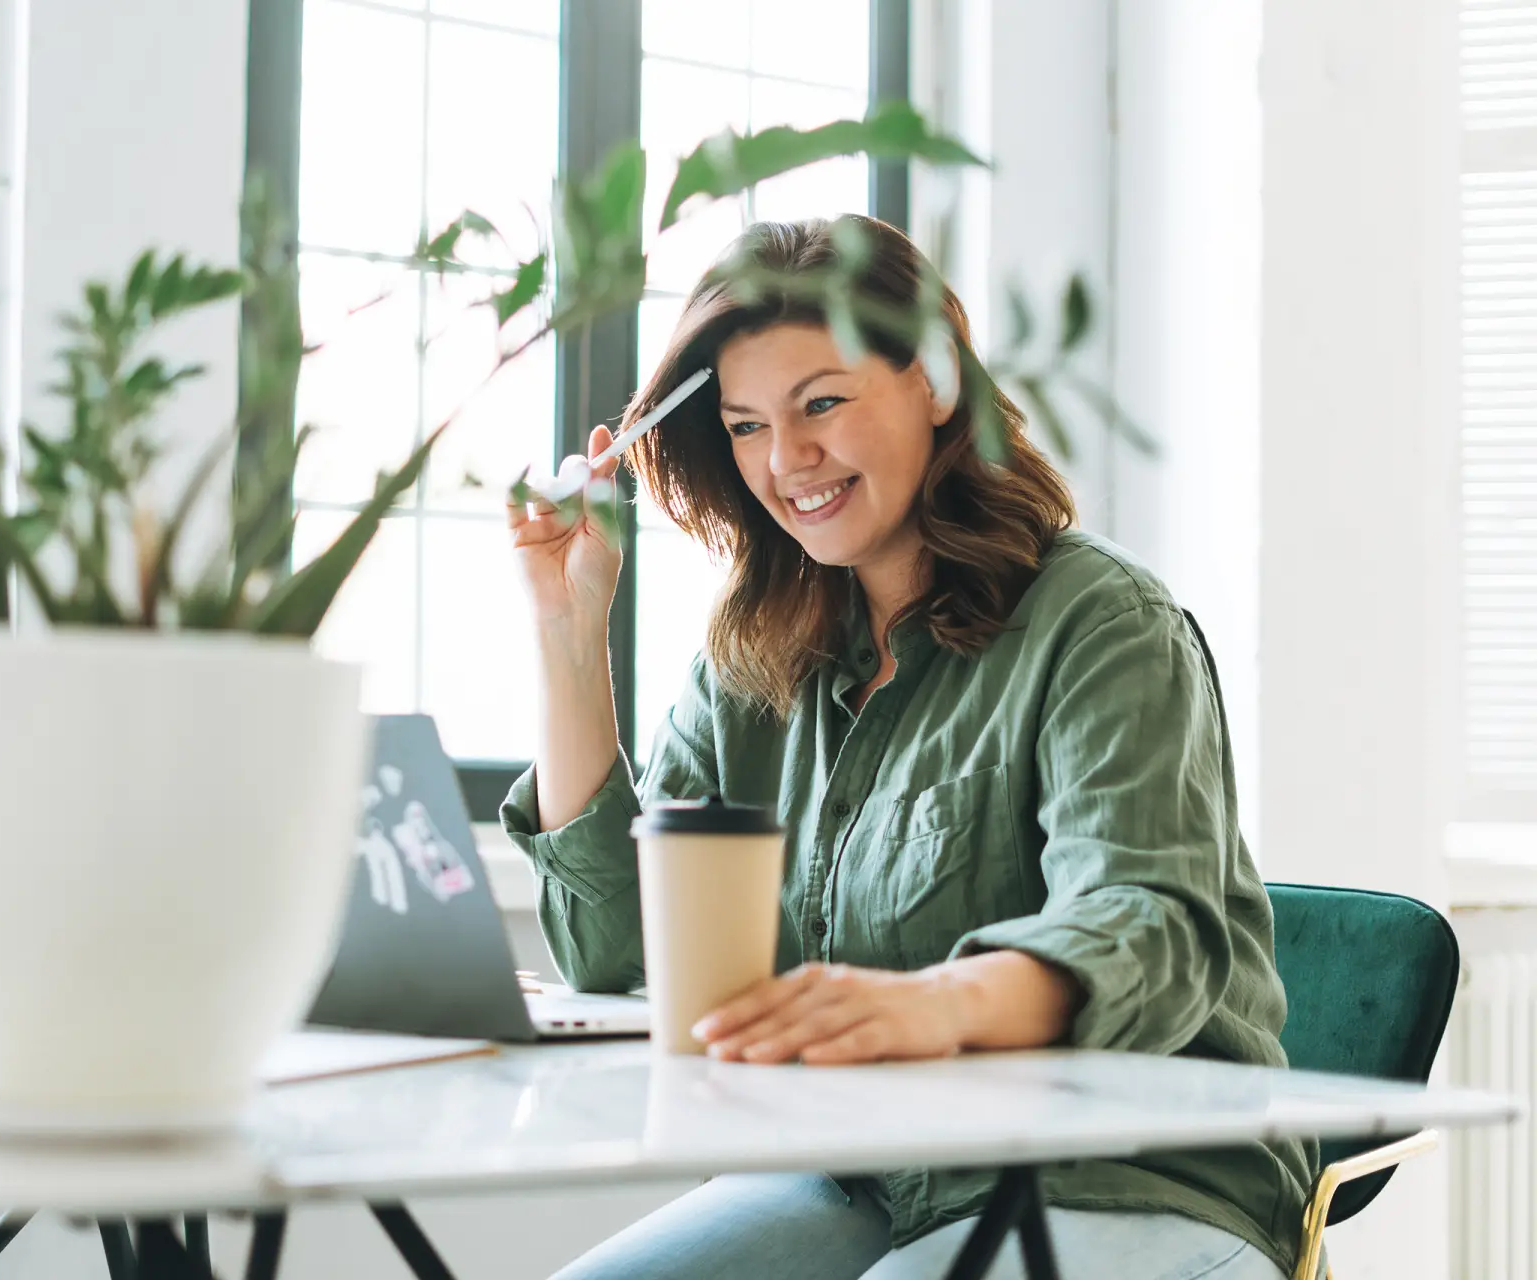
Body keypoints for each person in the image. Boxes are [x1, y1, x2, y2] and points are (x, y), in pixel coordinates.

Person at [500, 215, 1311, 1280]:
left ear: (933, 381)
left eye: (821, 404)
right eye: (746, 425)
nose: (786, 461)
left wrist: (930, 1001)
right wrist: (569, 632)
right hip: (864, 1173)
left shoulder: (1103, 624)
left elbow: (1150, 934)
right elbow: (625, 957)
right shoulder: (756, 654)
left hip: (1127, 1173)